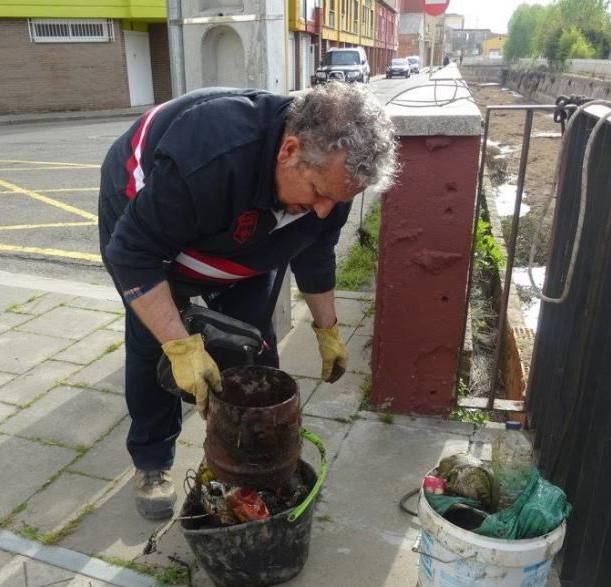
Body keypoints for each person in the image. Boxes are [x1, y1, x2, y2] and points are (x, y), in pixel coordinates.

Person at [98, 82, 397, 520]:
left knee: (253, 347)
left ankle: (245, 461)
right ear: (288, 150)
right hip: (146, 227)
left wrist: (327, 328)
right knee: (155, 345)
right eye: (318, 193)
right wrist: (179, 344)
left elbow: (315, 250)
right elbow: (133, 255)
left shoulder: (331, 183)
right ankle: (151, 460)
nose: (323, 210)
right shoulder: (210, 157)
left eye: (339, 200)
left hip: (240, 227)